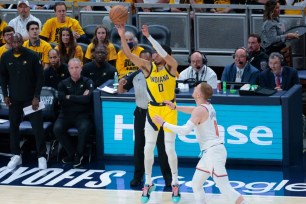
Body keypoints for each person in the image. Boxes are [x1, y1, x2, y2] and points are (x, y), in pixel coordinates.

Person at [153, 82, 247, 204]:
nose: (194, 88)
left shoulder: (200, 111)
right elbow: (193, 110)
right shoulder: (207, 106)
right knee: (196, 184)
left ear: (198, 94)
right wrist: (175, 107)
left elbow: (184, 130)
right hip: (210, 152)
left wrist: (164, 124)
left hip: (213, 154)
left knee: (226, 189)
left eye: (196, 88)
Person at [117, 24, 180, 203]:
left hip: (168, 111)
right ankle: (148, 181)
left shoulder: (172, 67)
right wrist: (122, 35)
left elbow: (165, 55)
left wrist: (150, 37)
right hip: (152, 110)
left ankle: (175, 182)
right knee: (147, 147)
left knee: (168, 148)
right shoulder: (147, 68)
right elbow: (129, 55)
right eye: (153, 53)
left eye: (157, 53)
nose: (154, 55)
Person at [117, 50, 172, 188]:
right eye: (141, 60)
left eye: (147, 60)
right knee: (139, 146)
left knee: (161, 146)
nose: (144, 63)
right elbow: (121, 91)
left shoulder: (160, 75)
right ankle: (137, 176)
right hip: (141, 114)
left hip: (156, 114)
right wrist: (121, 83)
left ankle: (168, 178)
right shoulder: (135, 75)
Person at [0, 33, 47, 170]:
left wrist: (36, 96)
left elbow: (40, 78)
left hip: (31, 99)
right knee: (13, 127)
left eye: (19, 42)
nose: (16, 45)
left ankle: (42, 156)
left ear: (23, 41)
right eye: (14, 42)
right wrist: (5, 94)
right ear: (10, 42)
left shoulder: (32, 56)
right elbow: (3, 76)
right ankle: (16, 155)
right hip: (14, 99)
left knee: (37, 127)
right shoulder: (5, 56)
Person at [53, 58, 94, 168]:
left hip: (82, 114)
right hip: (65, 114)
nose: (74, 70)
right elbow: (61, 100)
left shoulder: (88, 82)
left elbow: (87, 100)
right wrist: (80, 98)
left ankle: (79, 155)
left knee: (84, 128)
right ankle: (72, 153)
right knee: (57, 128)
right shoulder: (63, 83)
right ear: (69, 69)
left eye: (76, 67)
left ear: (81, 68)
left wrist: (69, 97)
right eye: (72, 68)